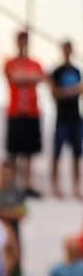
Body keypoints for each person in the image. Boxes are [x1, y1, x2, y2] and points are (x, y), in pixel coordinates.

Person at [4, 31, 46, 196]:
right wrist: (30, 78)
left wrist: (25, 77)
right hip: (15, 112)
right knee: (14, 151)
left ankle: (27, 184)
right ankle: (12, 184)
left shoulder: (35, 63)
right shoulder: (10, 62)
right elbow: (14, 78)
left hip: (32, 113)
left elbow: (40, 77)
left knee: (30, 151)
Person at [51, 40, 83, 199]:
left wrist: (71, 91)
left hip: (76, 117)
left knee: (77, 154)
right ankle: (55, 186)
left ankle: (76, 187)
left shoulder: (77, 71)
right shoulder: (57, 71)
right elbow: (54, 93)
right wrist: (73, 90)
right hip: (61, 117)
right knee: (57, 153)